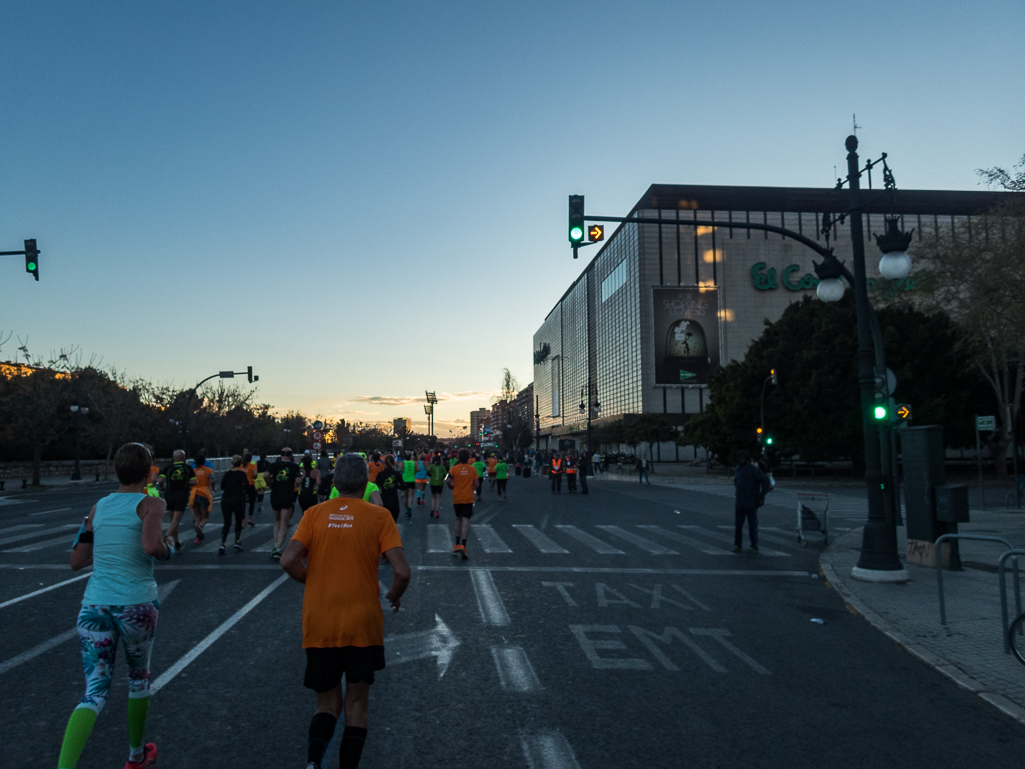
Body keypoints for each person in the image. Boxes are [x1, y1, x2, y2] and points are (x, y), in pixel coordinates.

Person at [280, 454, 410, 769]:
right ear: (366, 482)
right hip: (362, 624)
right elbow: (402, 571)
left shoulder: (313, 514)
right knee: (356, 704)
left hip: (321, 620)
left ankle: (313, 761)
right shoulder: (379, 517)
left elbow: (287, 560)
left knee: (325, 705)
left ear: (335, 483)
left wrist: (310, 580)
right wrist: (393, 595)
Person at [58, 442, 177, 769]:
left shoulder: (98, 507)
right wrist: (169, 551)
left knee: (93, 691)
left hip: (95, 605)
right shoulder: (152, 503)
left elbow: (77, 561)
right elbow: (153, 546)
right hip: (136, 604)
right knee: (138, 678)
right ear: (148, 470)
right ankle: (135, 756)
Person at [265, 447, 301, 560]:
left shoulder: (274, 465)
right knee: (284, 523)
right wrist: (295, 484)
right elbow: (299, 480)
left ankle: (275, 545)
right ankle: (279, 549)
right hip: (287, 495)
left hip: (275, 494)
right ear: (291, 456)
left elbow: (265, 475)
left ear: (280, 456)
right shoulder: (294, 466)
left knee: (277, 521)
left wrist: (270, 484)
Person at [733, 450, 771, 553]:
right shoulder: (737, 469)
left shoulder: (753, 469)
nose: (742, 460)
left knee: (752, 525)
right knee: (738, 525)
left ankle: (754, 545)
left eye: (743, 458)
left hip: (751, 501)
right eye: (740, 458)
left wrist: (762, 494)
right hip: (740, 501)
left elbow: (764, 479)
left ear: (747, 459)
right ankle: (737, 545)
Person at [446, 449, 480, 560]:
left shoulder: (454, 468)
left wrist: (451, 487)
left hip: (457, 497)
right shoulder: (472, 469)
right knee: (466, 520)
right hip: (468, 498)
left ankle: (456, 544)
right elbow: (477, 484)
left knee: (458, 519)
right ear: (468, 458)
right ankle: (463, 546)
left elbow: (447, 481)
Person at [158, 450, 195, 548]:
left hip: (169, 494)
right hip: (181, 494)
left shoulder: (167, 468)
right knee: (176, 520)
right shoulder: (187, 468)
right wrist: (186, 483)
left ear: (173, 458)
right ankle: (165, 537)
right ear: (184, 458)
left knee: (172, 520)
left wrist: (162, 488)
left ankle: (177, 542)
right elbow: (194, 482)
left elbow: (160, 480)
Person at [219, 455, 249, 554]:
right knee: (238, 520)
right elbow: (247, 485)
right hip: (238, 499)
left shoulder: (227, 474)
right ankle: (237, 540)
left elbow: (222, 486)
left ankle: (223, 543)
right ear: (240, 464)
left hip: (226, 499)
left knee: (227, 522)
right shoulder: (241, 474)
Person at [189, 455, 215, 544]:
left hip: (194, 495)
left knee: (197, 516)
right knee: (205, 517)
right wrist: (213, 488)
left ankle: (198, 538)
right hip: (204, 494)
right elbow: (212, 480)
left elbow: (190, 482)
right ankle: (200, 527)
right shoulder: (209, 470)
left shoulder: (193, 471)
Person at [374, 454, 404, 522]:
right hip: (394, 501)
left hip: (384, 500)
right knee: (393, 523)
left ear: (384, 463)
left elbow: (376, 488)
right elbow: (403, 487)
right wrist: (395, 485)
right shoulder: (396, 474)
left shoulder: (380, 474)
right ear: (393, 463)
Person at [242, 451, 258, 527]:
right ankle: (250, 518)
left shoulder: (241, 466)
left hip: (242, 485)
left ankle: (242, 520)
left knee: (242, 503)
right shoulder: (253, 466)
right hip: (250, 484)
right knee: (252, 502)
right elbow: (255, 475)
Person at [428, 453, 446, 517]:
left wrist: (431, 475)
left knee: (433, 496)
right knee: (438, 497)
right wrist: (444, 479)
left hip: (432, 482)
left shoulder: (432, 466)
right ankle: (437, 511)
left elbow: (428, 472)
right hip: (440, 483)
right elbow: (446, 474)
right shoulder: (442, 466)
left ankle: (432, 508)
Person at [400, 451, 416, 516]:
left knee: (405, 496)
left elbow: (399, 469)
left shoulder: (403, 463)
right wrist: (414, 471)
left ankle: (406, 510)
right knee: (410, 495)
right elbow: (418, 469)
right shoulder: (413, 462)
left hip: (405, 479)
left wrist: (403, 470)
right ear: (410, 457)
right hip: (412, 480)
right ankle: (410, 506)